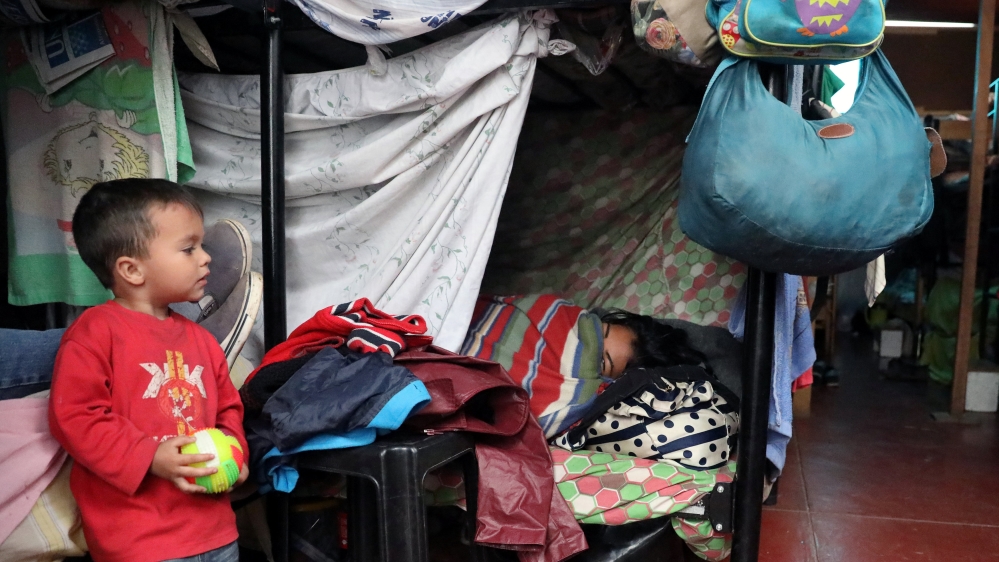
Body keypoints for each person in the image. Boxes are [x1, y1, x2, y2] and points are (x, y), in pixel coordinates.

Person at [47, 179, 249, 562]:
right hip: (138, 540)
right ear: (131, 270)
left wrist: (235, 449)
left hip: (216, 533)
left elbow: (228, 408)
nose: (205, 257)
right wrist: (149, 455)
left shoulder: (202, 341)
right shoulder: (95, 333)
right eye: (189, 248)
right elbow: (75, 416)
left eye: (201, 246)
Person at [460, 294, 708, 438]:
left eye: (600, 361)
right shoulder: (559, 311)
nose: (586, 340)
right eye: (601, 330)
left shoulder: (580, 397)